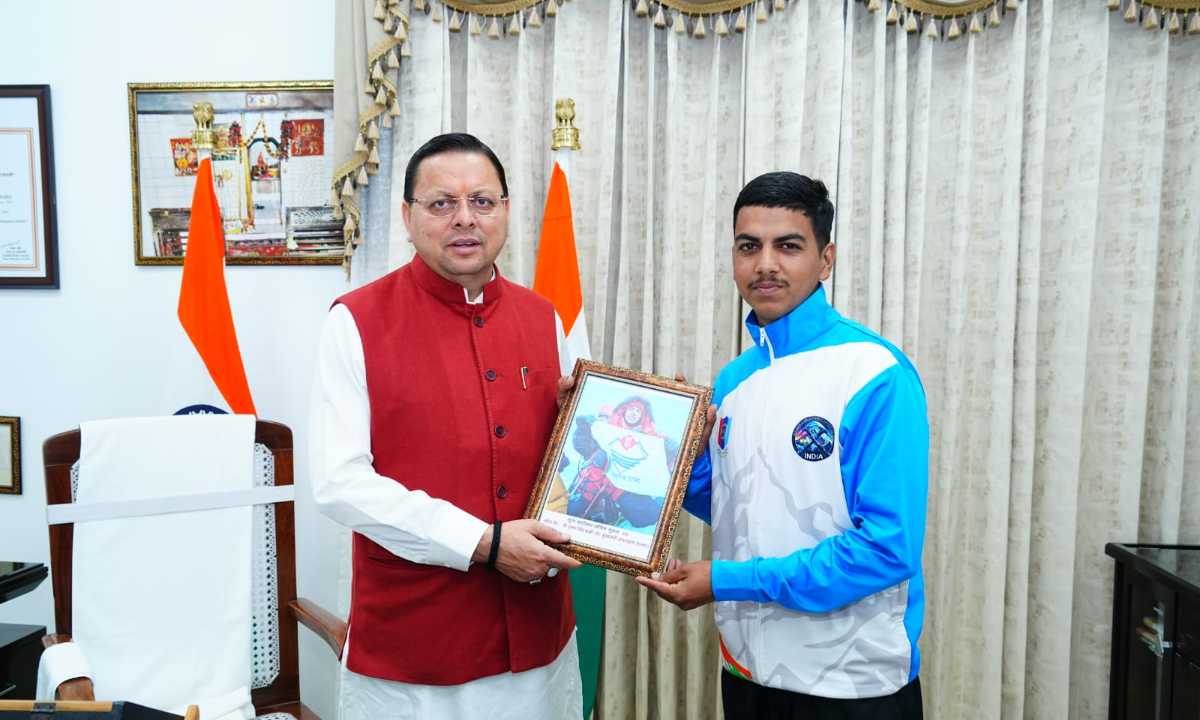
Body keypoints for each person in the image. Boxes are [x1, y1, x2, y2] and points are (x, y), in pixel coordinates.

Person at [310, 133, 584, 719]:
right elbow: (339, 483)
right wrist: (481, 543)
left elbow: (570, 462)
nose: (465, 219)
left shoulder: (544, 317)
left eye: (482, 201)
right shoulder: (355, 321)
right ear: (407, 217)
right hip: (413, 651)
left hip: (537, 642)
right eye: (442, 203)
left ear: (506, 211)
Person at [639, 172, 928, 719]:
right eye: (749, 246)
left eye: (788, 246)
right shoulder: (733, 380)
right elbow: (737, 507)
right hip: (746, 671)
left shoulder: (875, 372)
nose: (765, 264)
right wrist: (679, 457)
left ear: (826, 259)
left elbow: (886, 549)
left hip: (852, 685)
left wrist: (724, 580)